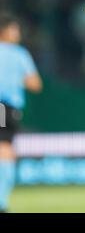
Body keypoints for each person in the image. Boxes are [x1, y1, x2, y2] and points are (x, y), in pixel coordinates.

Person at [0, 13, 42, 213]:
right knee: (5, 149)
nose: (18, 34)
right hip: (5, 107)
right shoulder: (18, 54)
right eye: (15, 30)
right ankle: (1, 200)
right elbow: (35, 84)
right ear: (6, 31)